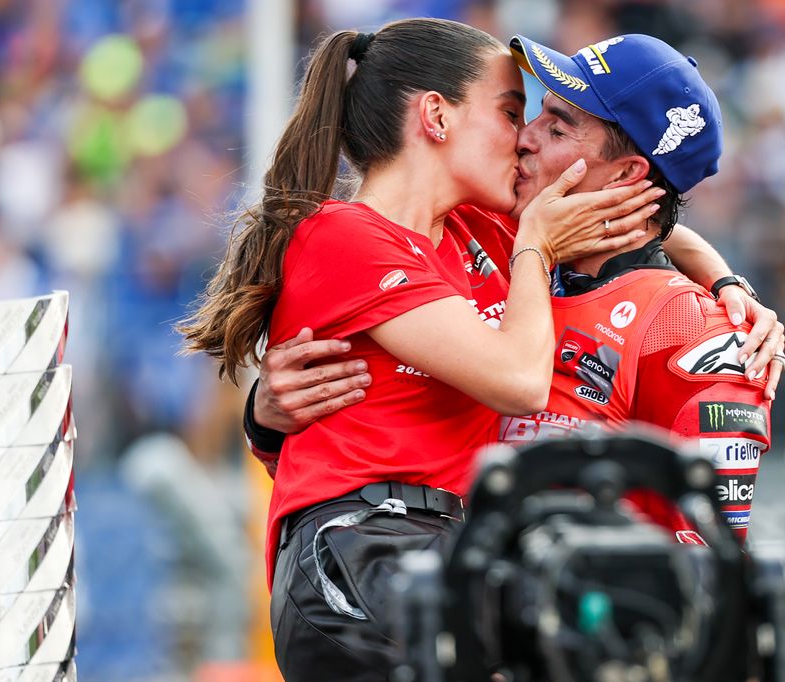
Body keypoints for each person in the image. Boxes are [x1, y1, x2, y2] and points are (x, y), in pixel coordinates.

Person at [179, 18, 663, 682]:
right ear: (435, 115)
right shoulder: (342, 236)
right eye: (508, 111)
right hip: (358, 551)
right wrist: (535, 250)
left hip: (445, 547)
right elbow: (519, 380)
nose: (523, 138)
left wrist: (723, 283)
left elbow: (632, 220)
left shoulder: (479, 229)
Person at [244, 34, 781, 544]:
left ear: (625, 177)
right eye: (524, 113)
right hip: (432, 584)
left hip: (559, 621)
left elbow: (708, 556)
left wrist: (728, 287)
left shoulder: (695, 328)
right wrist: (264, 421)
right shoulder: (508, 246)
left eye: (556, 127)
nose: (524, 135)